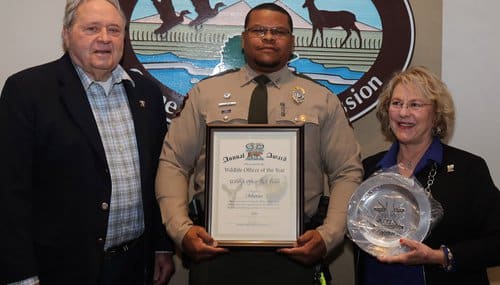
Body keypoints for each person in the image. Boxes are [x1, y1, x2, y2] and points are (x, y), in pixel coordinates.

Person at [155, 3, 363, 285]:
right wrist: (181, 231)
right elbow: (174, 163)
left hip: (297, 250)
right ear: (243, 39)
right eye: (259, 30)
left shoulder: (321, 99)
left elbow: (346, 172)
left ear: (292, 41)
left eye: (279, 31)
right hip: (215, 250)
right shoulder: (205, 94)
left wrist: (328, 236)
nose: (268, 37)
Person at [0, 0, 175, 284]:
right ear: (66, 35)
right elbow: (9, 191)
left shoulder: (146, 94)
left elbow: (155, 178)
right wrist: (21, 274)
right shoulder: (28, 91)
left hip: (133, 265)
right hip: (60, 269)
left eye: (114, 30)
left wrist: (161, 245)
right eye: (91, 28)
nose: (104, 38)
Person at [355, 66, 500, 285]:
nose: (404, 113)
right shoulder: (370, 167)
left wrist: (438, 256)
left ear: (436, 114)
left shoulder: (468, 169)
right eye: (397, 103)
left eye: (415, 104)